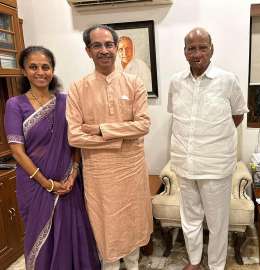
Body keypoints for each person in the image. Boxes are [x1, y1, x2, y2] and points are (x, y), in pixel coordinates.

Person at [4, 46, 100, 270]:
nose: (40, 72)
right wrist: (47, 184)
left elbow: (75, 140)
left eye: (45, 67)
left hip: (68, 183)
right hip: (34, 185)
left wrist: (74, 172)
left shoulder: (66, 102)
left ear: (53, 70)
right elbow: (17, 151)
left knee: (73, 233)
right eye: (33, 67)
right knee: (40, 237)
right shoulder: (15, 105)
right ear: (24, 71)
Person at [66, 24, 152, 270]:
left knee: (133, 221)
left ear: (116, 48)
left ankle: (134, 265)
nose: (104, 50)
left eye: (108, 44)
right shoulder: (78, 88)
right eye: (97, 45)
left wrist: (103, 130)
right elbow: (74, 136)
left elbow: (143, 125)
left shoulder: (134, 83)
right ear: (88, 51)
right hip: (99, 173)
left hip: (131, 169)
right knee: (106, 225)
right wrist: (119, 137)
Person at [168, 27, 248, 270]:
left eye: (202, 47)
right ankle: (194, 260)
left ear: (211, 49)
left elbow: (236, 116)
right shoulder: (176, 82)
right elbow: (177, 117)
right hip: (184, 163)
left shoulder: (227, 80)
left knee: (217, 222)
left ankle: (215, 265)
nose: (197, 53)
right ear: (184, 52)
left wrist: (213, 138)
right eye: (191, 48)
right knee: (190, 218)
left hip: (215, 165)